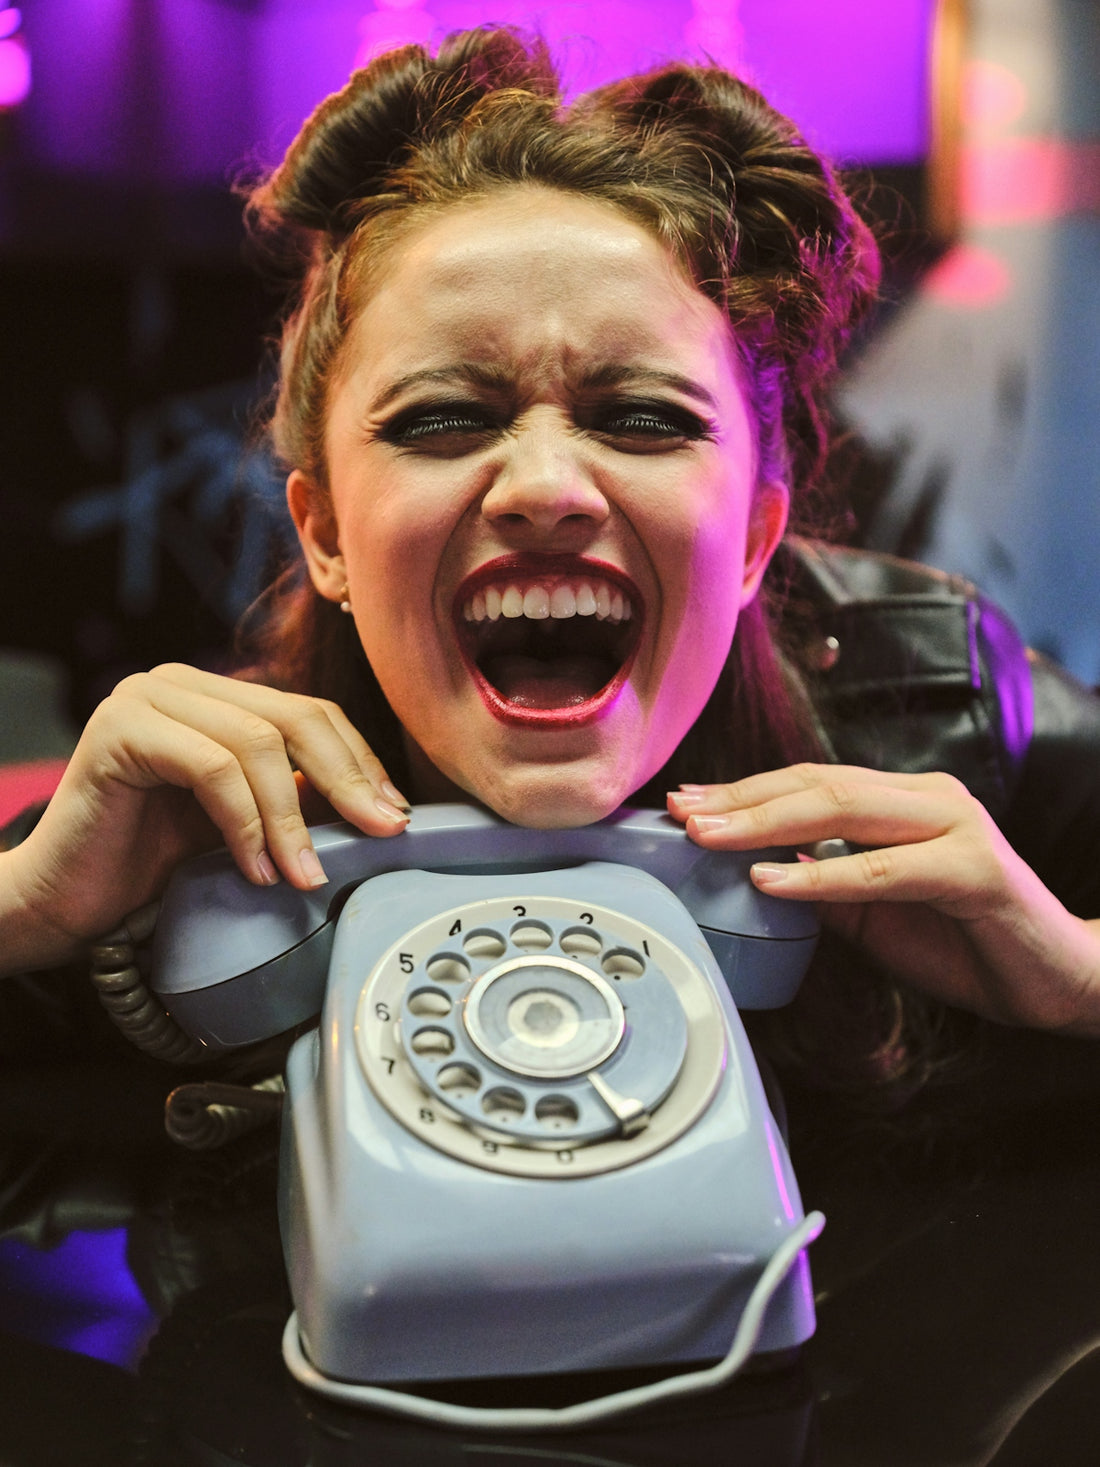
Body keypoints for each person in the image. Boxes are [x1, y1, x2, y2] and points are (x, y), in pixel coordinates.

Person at [1, 26, 1098, 1098]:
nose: (544, 489)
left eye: (638, 417)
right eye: (439, 421)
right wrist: (27, 910)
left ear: (759, 535)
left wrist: (1076, 977)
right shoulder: (185, 813)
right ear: (326, 533)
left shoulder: (937, 705)